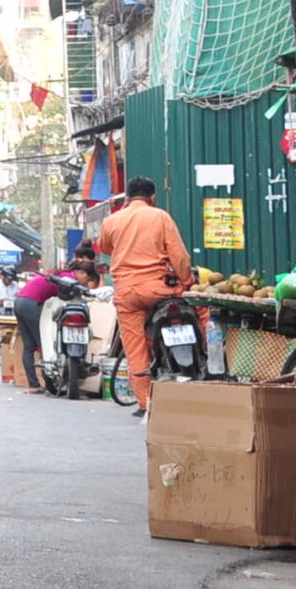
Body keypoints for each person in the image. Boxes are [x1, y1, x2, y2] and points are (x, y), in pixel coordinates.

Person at [92, 176, 193, 417]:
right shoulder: (160, 216)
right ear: (153, 197)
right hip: (160, 290)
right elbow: (178, 255)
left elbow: (104, 247)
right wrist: (187, 282)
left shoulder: (112, 220)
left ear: (127, 197)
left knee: (135, 347)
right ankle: (198, 376)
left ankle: (145, 403)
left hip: (127, 293)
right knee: (197, 315)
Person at [11, 261, 62, 391]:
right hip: (31, 305)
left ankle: (33, 385)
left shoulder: (44, 276)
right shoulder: (63, 280)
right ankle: (50, 385)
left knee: (29, 346)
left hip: (19, 303)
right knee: (44, 344)